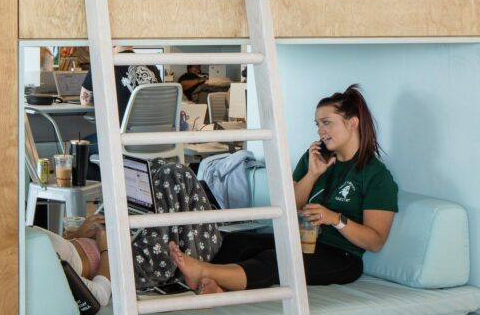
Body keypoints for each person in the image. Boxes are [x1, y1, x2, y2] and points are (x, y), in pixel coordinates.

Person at [169, 84, 398, 294]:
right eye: (317, 124)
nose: (320, 131)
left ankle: (204, 273)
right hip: (301, 242)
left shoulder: (376, 176)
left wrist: (334, 219)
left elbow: (375, 241)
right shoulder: (315, 157)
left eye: (327, 122)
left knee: (276, 260)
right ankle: (214, 287)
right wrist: (312, 174)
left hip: (341, 257)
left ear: (352, 122)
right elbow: (292, 206)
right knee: (238, 242)